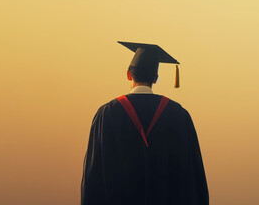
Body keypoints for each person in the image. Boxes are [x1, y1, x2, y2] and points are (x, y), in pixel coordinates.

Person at [81, 41, 209, 205]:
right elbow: (195, 177)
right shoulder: (179, 115)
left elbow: (93, 177)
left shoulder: (106, 114)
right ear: (155, 78)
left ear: (128, 74)